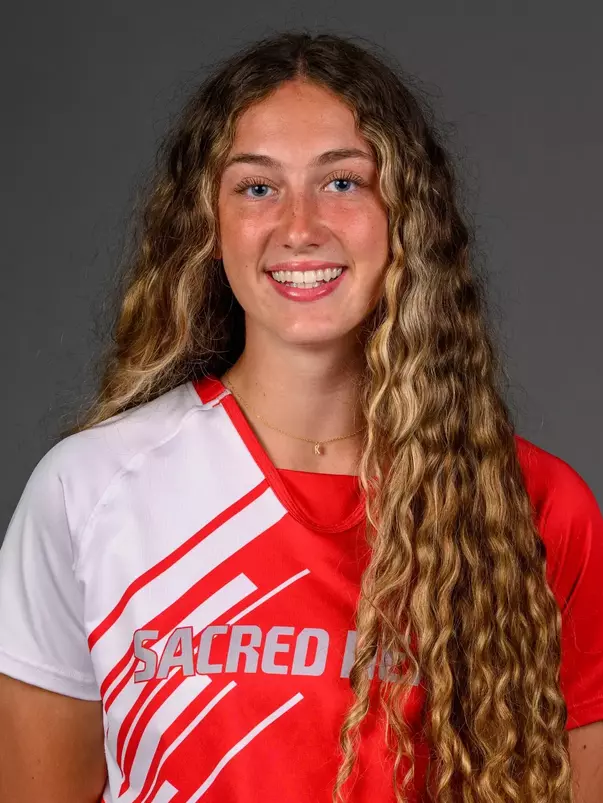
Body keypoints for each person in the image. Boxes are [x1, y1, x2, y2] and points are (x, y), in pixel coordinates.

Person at [0, 31, 601, 803]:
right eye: (256, 188)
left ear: (406, 215)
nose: (299, 226)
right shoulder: (88, 492)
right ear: (208, 225)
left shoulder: (532, 507)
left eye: (343, 182)